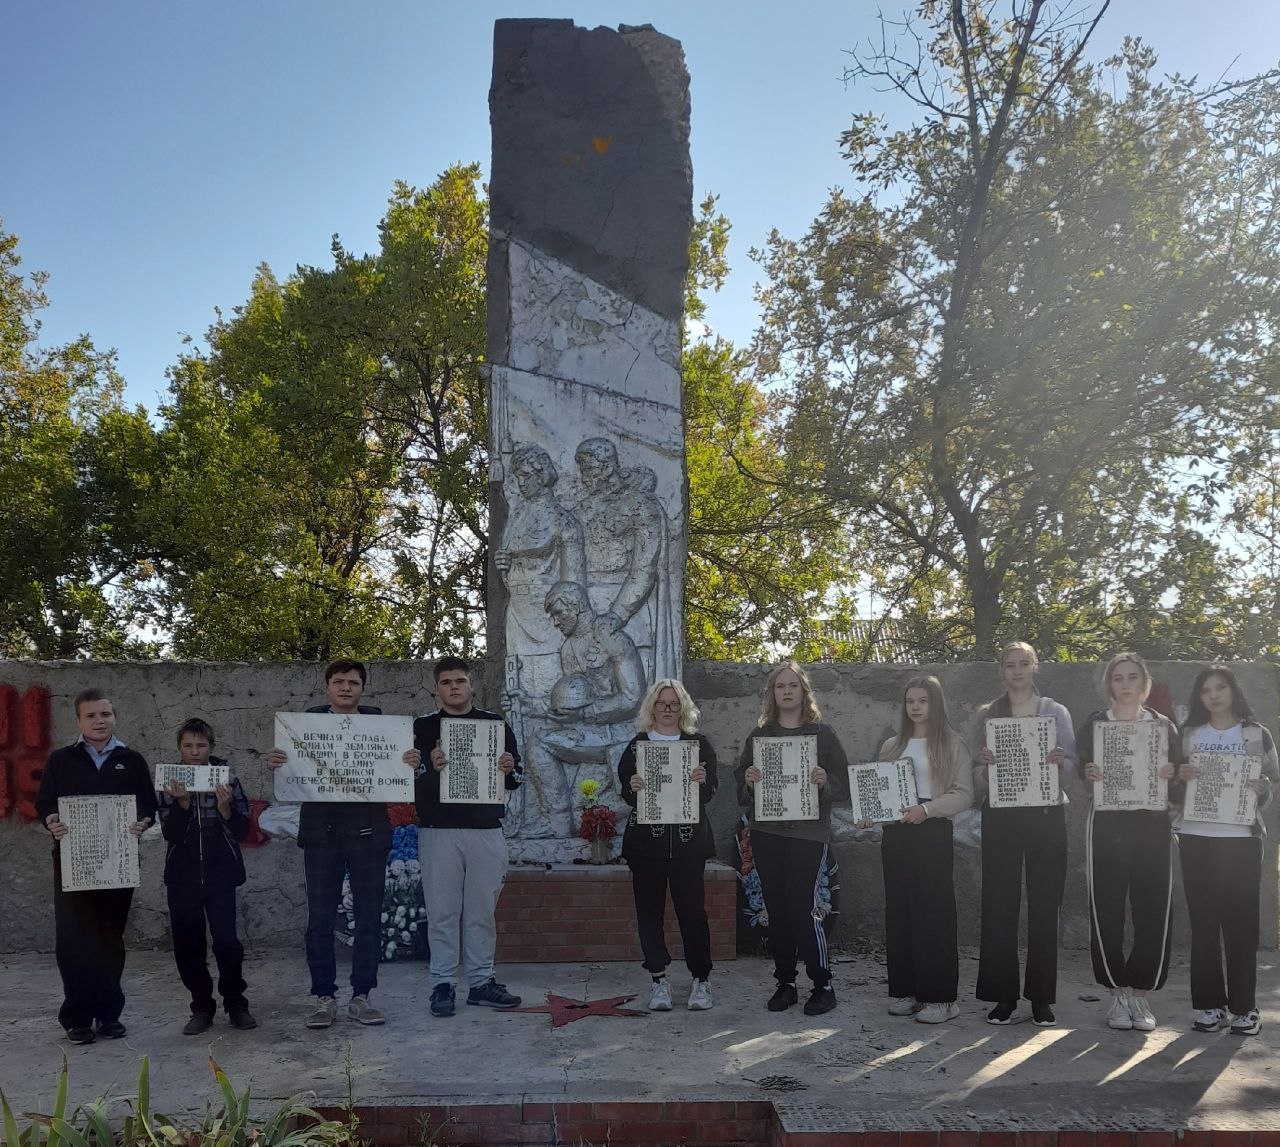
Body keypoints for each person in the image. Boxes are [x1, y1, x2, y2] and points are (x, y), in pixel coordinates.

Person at [266, 659, 419, 1029]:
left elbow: (399, 774)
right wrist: (277, 762)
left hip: (369, 833)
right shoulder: (304, 728)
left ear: (363, 688)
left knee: (368, 919)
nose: (346, 688)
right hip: (322, 834)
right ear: (328, 687)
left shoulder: (384, 729)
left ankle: (362, 996)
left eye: (353, 682)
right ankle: (323, 997)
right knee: (319, 920)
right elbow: (290, 776)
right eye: (339, 682)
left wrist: (408, 761)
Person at [35, 689, 158, 1045]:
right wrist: (52, 820)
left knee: (109, 941)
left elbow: (147, 804)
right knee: (74, 942)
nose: (99, 721)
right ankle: (77, 1018)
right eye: (91, 716)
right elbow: (44, 803)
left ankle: (108, 1015)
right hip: (72, 863)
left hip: (117, 865)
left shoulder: (131, 760)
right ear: (78, 721)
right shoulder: (61, 760)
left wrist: (142, 822)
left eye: (105, 714)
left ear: (114, 716)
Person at [734, 661, 849, 1016]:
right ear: (772, 693)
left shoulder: (823, 735)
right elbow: (741, 788)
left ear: (804, 692)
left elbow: (844, 784)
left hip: (807, 834)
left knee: (802, 908)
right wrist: (750, 781)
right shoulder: (760, 737)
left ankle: (822, 983)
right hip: (767, 833)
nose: (786, 691)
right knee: (777, 909)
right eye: (779, 686)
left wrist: (824, 781)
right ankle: (785, 983)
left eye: (793, 686)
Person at [1075, 654, 1181, 1033]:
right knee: (1106, 907)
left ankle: (1140, 993)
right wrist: (1088, 773)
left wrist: (1172, 775)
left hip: (1151, 825)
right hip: (1107, 824)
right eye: (1118, 678)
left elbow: (1180, 781)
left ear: (1145, 684)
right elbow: (1081, 769)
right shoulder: (1095, 724)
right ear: (1110, 685)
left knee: (1153, 908)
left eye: (1132, 677)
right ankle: (1116, 991)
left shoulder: (1164, 727)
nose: (1125, 684)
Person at [414, 656, 524, 1019]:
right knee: (443, 911)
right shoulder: (422, 727)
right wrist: (432, 769)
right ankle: (442, 984)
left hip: (485, 829)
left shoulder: (494, 724)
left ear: (471, 684)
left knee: (481, 912)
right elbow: (409, 782)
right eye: (446, 682)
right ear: (437, 688)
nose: (454, 687)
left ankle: (480, 982)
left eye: (460, 680)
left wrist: (508, 769)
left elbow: (515, 776)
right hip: (438, 831)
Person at [974, 641, 1076, 1026]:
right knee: (999, 905)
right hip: (1001, 817)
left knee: (1044, 906)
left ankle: (1040, 998)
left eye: (1023, 664)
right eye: (1009, 665)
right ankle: (1003, 997)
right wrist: (985, 768)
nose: (1016, 671)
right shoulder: (989, 715)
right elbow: (975, 777)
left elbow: (1072, 768)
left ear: (1035, 667)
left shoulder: (1055, 712)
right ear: (1001, 672)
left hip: (1046, 815)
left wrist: (1060, 761)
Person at [1176, 665, 1279, 1037]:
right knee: (1203, 924)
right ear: (1199, 697)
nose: (1214, 695)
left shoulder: (1256, 732)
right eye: (1206, 690)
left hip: (1242, 839)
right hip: (1195, 837)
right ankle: (1207, 1006)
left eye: (1220, 687)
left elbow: (1272, 779)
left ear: (1233, 690)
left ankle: (1245, 1009)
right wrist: (1181, 778)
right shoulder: (1189, 734)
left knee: (1241, 926)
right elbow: (1172, 783)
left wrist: (1262, 786)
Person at [868, 675, 972, 1025]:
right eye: (910, 701)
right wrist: (870, 813)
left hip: (932, 830)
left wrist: (925, 810)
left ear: (935, 704)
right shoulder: (891, 746)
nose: (915, 707)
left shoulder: (953, 744)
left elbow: (963, 793)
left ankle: (941, 998)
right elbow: (880, 790)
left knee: (934, 915)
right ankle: (905, 991)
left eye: (922, 701)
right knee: (900, 911)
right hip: (896, 834)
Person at [618, 678, 719, 1012]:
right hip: (647, 845)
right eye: (662, 704)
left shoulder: (699, 745)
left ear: (683, 707)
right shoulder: (637, 746)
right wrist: (633, 786)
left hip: (689, 844)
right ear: (651, 707)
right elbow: (626, 790)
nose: (667, 710)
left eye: (674, 704)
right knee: (649, 913)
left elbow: (711, 790)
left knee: (693, 913)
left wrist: (703, 782)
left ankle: (701, 980)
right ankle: (658, 981)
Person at [157, 718, 256, 1035]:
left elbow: (243, 830)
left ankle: (236, 1003)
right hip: (182, 876)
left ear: (211, 747)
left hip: (220, 874)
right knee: (188, 945)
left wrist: (227, 810)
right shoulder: (170, 780)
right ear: (180, 748)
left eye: (201, 745)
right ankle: (201, 1007)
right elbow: (170, 833)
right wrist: (182, 804)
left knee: (227, 942)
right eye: (188, 746)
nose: (195, 751)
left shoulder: (226, 778)